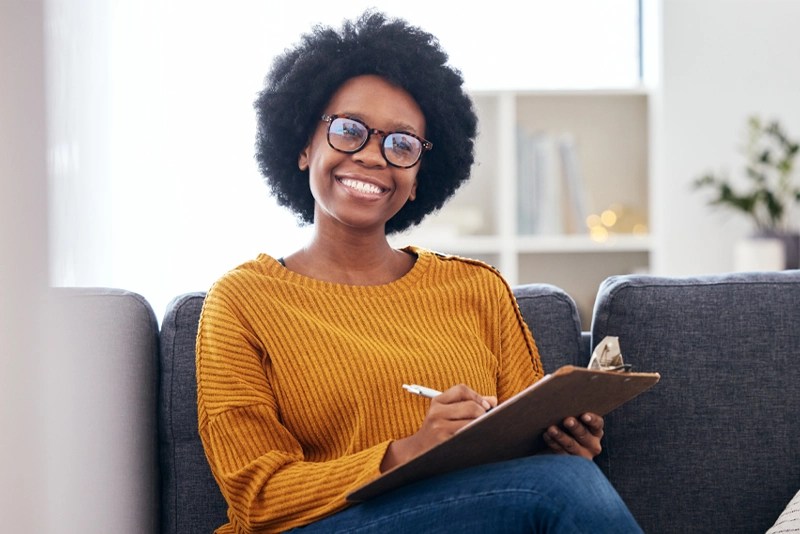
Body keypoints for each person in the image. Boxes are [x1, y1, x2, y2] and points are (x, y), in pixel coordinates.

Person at [196, 10, 642, 534]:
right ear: (302, 145)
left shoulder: (476, 289)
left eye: (401, 144)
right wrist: (407, 452)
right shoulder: (241, 301)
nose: (371, 156)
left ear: (418, 175)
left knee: (564, 481)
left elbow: (527, 469)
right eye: (348, 130)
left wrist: (566, 450)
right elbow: (257, 499)